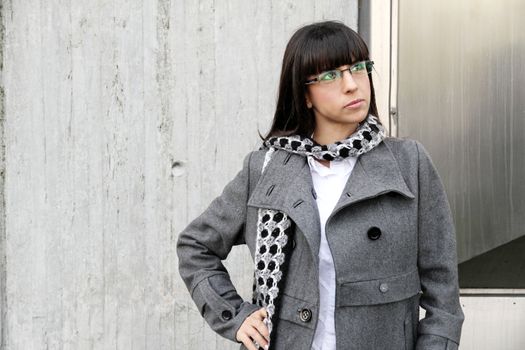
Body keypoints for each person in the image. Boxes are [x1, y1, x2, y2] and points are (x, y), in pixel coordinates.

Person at [177, 20, 464, 350]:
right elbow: (196, 246)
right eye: (330, 75)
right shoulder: (267, 168)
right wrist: (235, 314)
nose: (352, 84)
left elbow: (443, 296)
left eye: (358, 68)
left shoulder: (408, 163)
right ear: (305, 95)